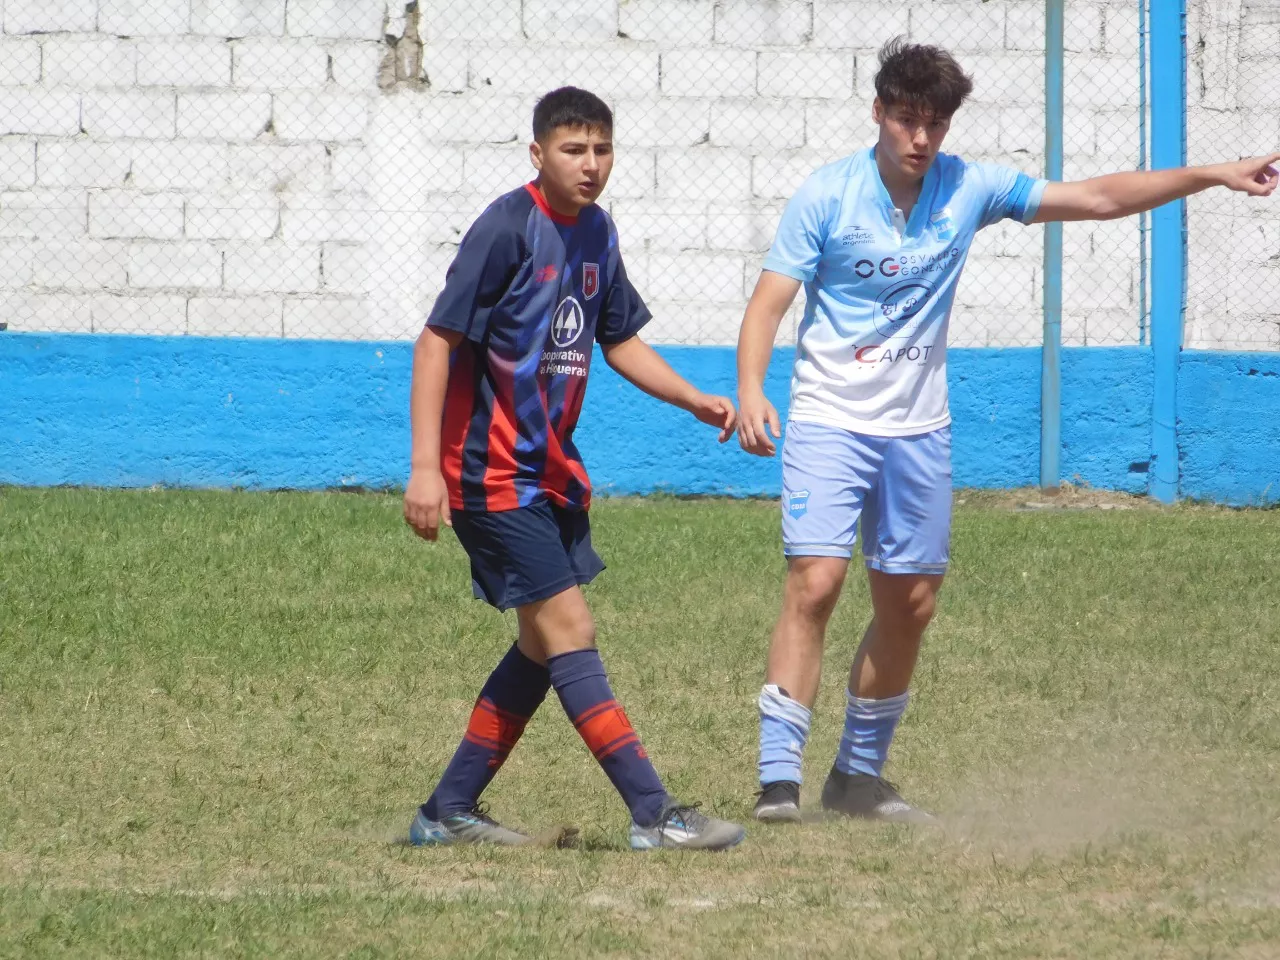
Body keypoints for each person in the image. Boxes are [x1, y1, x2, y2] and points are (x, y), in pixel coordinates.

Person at [737, 38, 1280, 825]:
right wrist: (752, 389)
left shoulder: (970, 188)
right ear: (879, 113)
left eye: (935, 123)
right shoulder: (825, 196)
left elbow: (1096, 198)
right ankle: (777, 782)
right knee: (814, 583)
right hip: (830, 419)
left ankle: (856, 780)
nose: (920, 139)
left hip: (919, 429)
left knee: (911, 605)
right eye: (906, 120)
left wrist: (1212, 173)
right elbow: (768, 304)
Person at [403, 86, 746, 851]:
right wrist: (425, 469)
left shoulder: (597, 232)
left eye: (601, 150)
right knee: (569, 627)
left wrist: (692, 399)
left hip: (547, 472)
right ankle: (655, 815)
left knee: (539, 644)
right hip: (488, 473)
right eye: (572, 149)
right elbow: (436, 344)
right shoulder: (506, 227)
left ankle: (445, 811)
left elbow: (616, 338)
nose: (590, 165)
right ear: (538, 154)